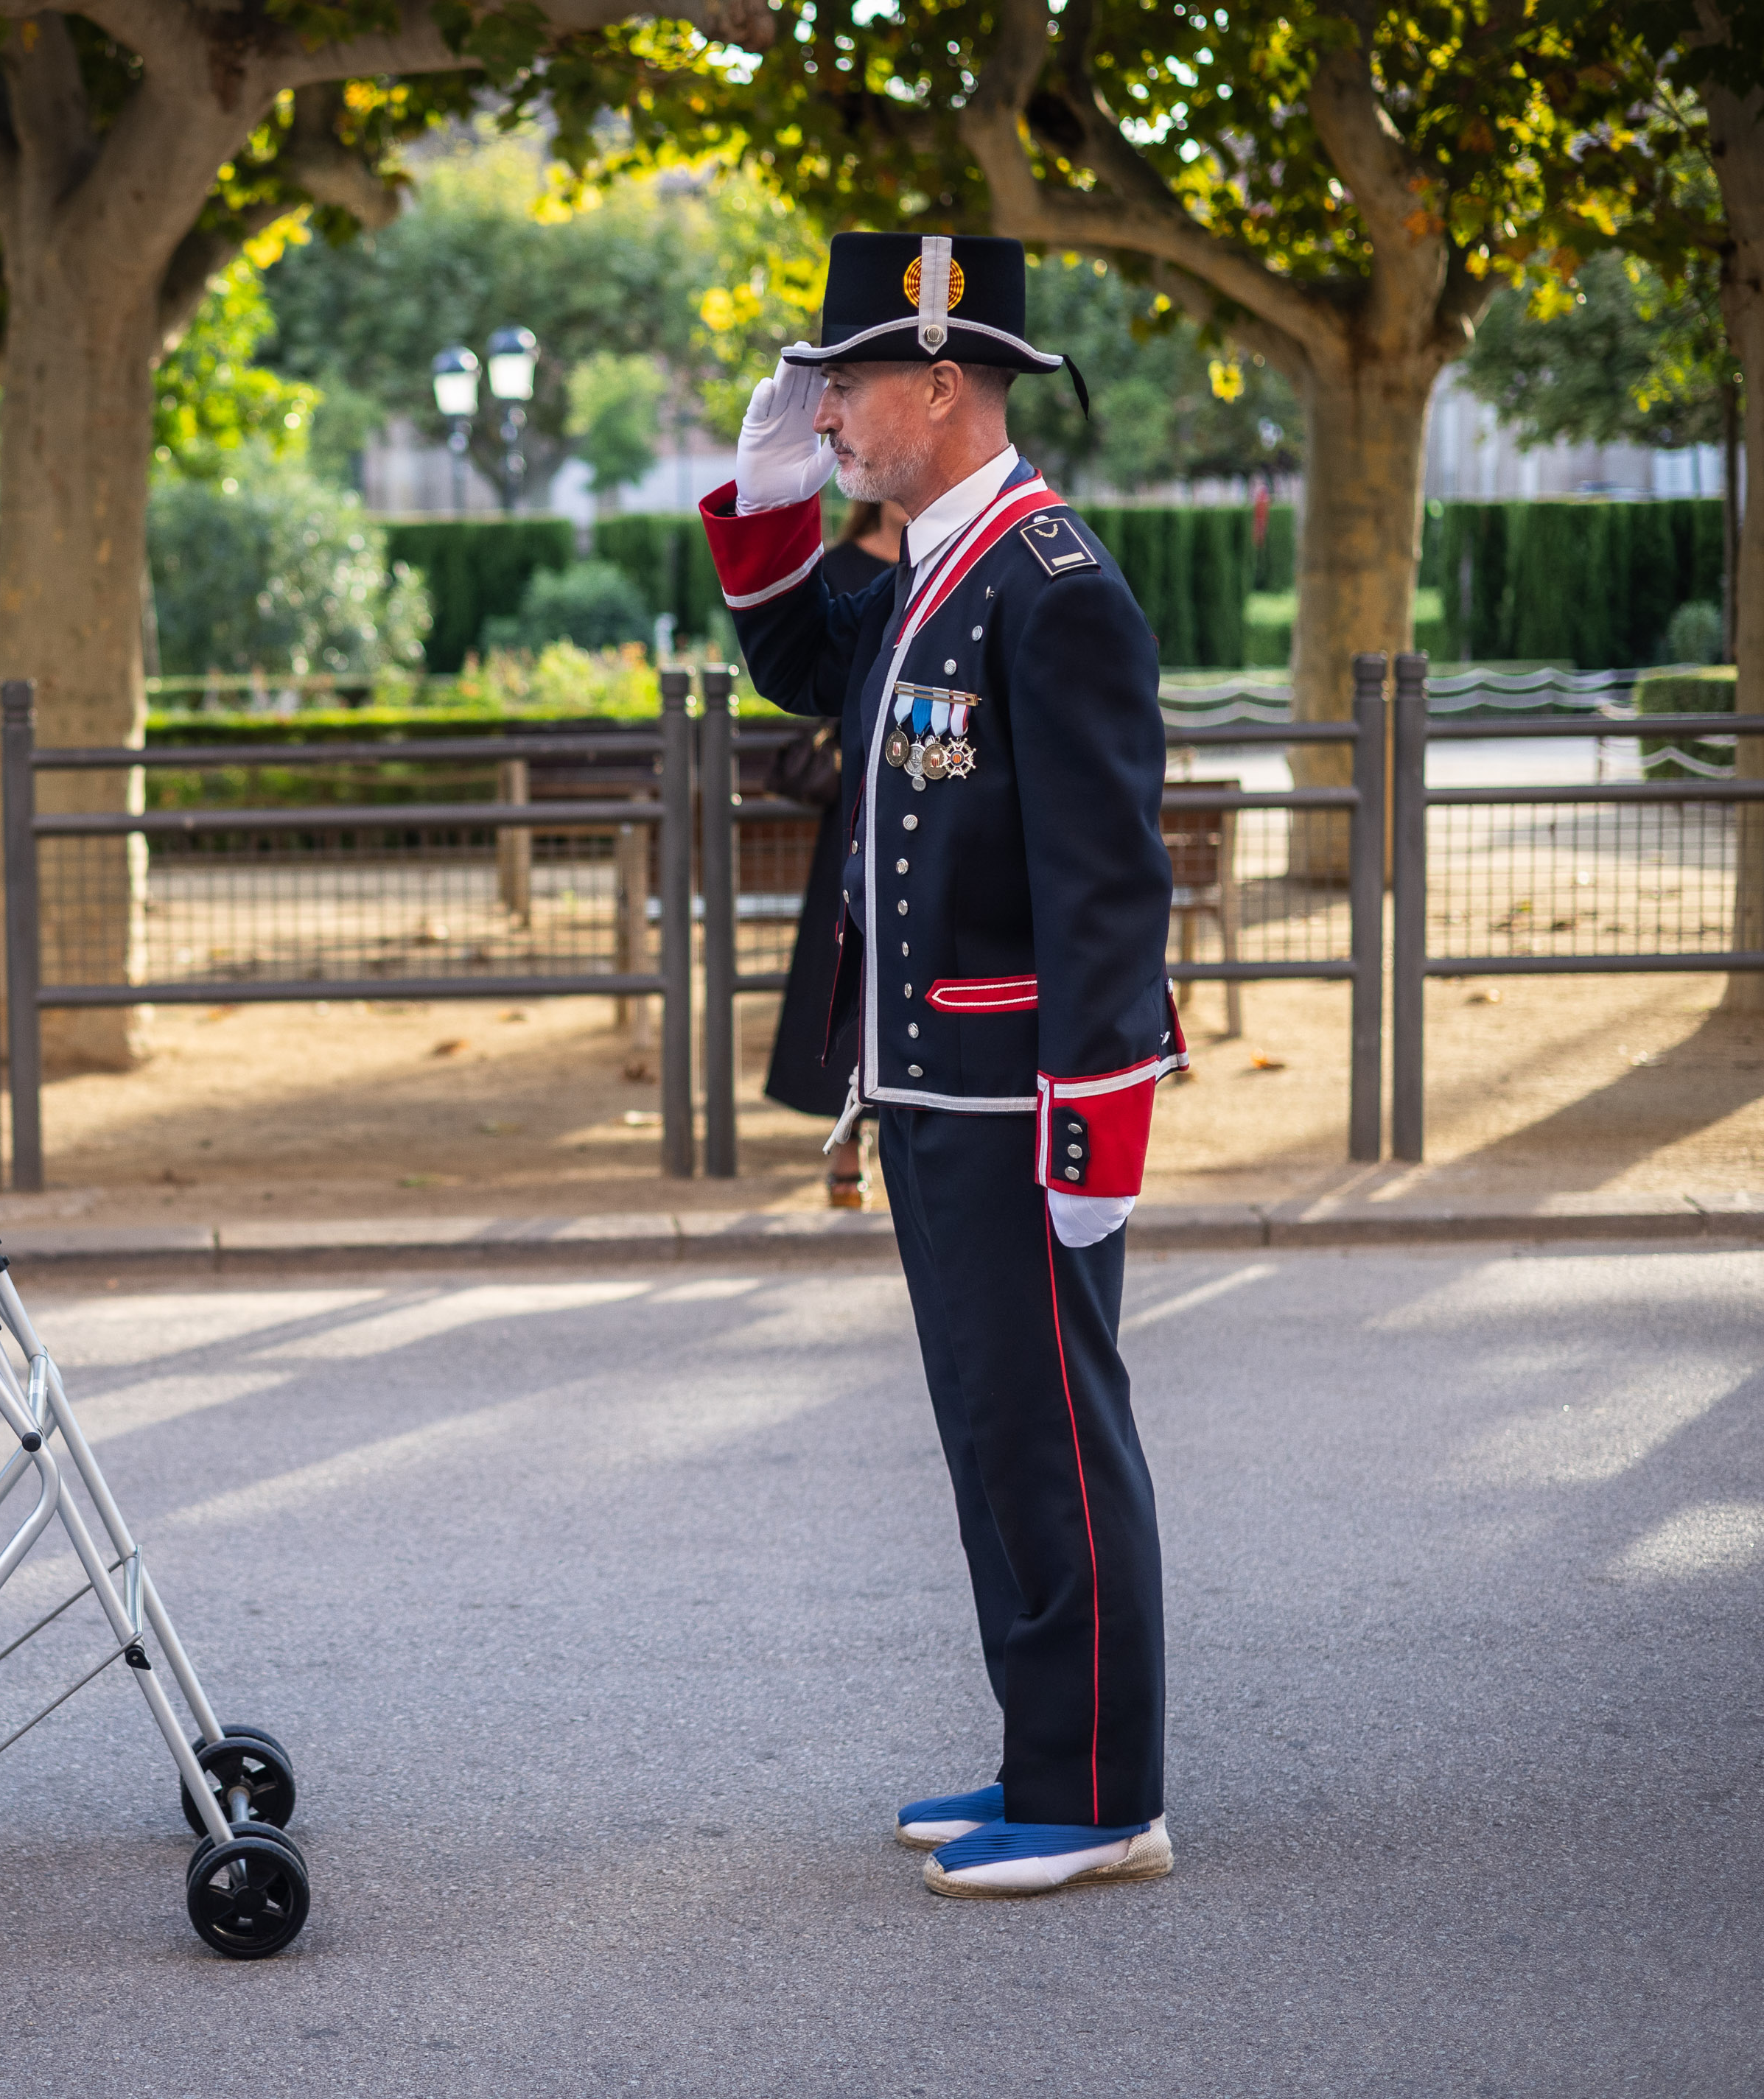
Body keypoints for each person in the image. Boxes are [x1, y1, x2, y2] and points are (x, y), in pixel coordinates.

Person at [699, 233, 1183, 1899]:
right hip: (929, 1093)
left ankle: (1100, 1792)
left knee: (1051, 1432)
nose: (823, 408)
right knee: (995, 1435)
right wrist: (762, 470)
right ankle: (1043, 1756)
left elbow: (1109, 882)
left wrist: (1092, 1128)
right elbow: (784, 653)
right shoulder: (929, 567)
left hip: (1014, 1102)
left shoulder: (1048, 587)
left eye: (841, 384)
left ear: (937, 382)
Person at [767, 500, 906, 1208]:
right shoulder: (845, 570)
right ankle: (847, 1152)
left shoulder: (959, 558)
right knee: (842, 980)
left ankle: (905, 1148)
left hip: (921, 808)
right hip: (854, 806)